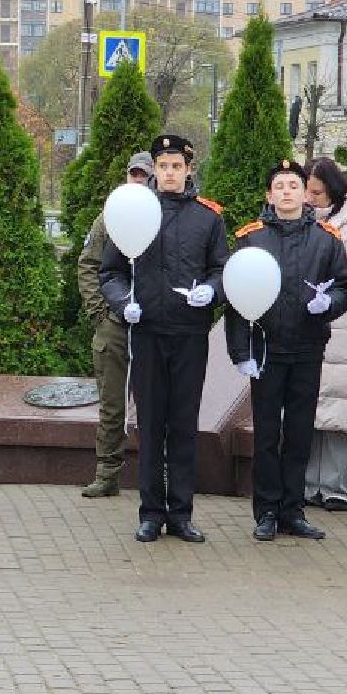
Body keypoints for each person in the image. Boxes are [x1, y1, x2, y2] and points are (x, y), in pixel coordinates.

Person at [97, 133, 230, 543]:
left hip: (190, 333)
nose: (169, 173)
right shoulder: (136, 212)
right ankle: (151, 512)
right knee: (151, 422)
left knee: (184, 423)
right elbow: (111, 272)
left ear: (189, 170)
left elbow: (221, 269)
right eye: (162, 166)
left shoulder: (208, 217)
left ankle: (182, 513)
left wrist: (213, 290)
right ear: (153, 170)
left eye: (176, 166)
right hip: (148, 331)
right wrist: (123, 304)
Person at [226, 159, 347, 541]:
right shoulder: (250, 238)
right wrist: (240, 351)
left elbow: (345, 288)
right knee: (267, 435)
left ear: (306, 193)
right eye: (279, 186)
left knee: (299, 433)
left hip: (307, 347)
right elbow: (234, 297)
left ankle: (292, 511)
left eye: (293, 186)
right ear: (269, 194)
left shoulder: (327, 238)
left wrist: (327, 304)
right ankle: (265, 511)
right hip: (265, 350)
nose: (286, 192)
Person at [75, 151, 154, 499]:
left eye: (144, 175)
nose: (138, 180)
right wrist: (100, 313)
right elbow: (89, 266)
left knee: (157, 404)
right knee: (111, 403)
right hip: (115, 324)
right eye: (133, 174)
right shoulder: (108, 218)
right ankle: (107, 473)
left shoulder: (165, 217)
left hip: (155, 326)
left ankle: (157, 477)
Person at [303, 157, 347, 510]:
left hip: (345, 322)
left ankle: (339, 488)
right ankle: (309, 483)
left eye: (316, 192)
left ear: (332, 191)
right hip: (313, 319)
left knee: (340, 402)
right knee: (312, 403)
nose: (309, 197)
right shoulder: (311, 220)